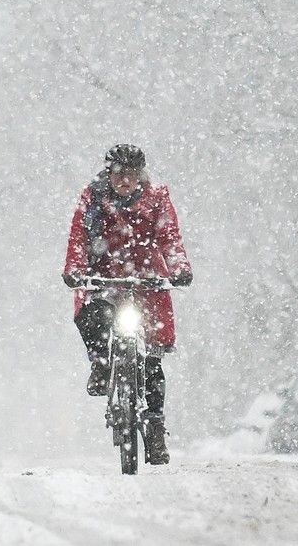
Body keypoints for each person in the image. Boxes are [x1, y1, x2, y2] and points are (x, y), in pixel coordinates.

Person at [62, 144, 193, 465]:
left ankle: (156, 426)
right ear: (109, 174)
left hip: (147, 283)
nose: (125, 182)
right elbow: (78, 237)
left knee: (151, 361)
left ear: (141, 176)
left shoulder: (157, 199)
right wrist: (75, 270)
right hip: (104, 279)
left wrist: (179, 269)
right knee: (93, 316)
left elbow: (170, 237)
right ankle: (101, 365)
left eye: (131, 175)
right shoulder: (92, 199)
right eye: (119, 174)